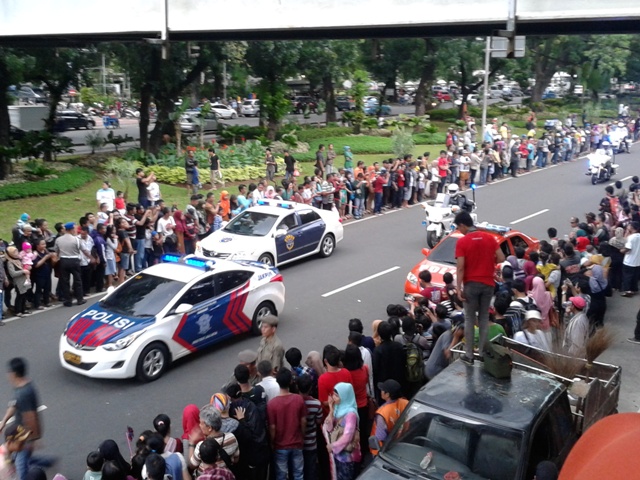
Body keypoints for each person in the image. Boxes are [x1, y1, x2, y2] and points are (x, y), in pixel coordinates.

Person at [454, 211, 505, 364]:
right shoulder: (490, 238)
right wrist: (488, 262)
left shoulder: (462, 242)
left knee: (469, 318)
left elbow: (461, 267)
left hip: (471, 284)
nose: (459, 231)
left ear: (463, 225)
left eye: (459, 228)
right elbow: (501, 258)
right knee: (483, 317)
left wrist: (458, 287)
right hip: (488, 284)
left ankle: (469, 355)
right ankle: (482, 353)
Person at [0, 358, 41, 480]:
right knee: (18, 459)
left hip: (23, 439)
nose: (8, 375)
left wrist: (33, 439)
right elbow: (14, 405)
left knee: (21, 467)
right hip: (16, 436)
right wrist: (3, 422)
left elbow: (31, 417)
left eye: (9, 372)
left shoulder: (25, 392)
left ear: (14, 374)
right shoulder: (20, 387)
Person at [267, 368, 306, 480]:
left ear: (277, 382)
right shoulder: (298, 399)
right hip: (297, 443)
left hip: (280, 446)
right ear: (290, 382)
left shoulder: (272, 404)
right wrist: (302, 436)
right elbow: (303, 421)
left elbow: (272, 428)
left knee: (281, 476)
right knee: (299, 474)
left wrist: (272, 443)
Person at [323, 382, 361, 480]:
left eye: (337, 396)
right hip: (338, 455)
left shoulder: (351, 414)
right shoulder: (337, 408)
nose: (334, 398)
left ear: (345, 396)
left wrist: (332, 446)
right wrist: (331, 410)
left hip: (348, 458)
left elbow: (347, 437)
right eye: (334, 395)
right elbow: (329, 428)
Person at [54, 222, 90, 307]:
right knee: (77, 280)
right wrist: (90, 257)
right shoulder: (76, 240)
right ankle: (79, 299)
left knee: (65, 281)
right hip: (74, 260)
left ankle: (67, 300)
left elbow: (56, 251)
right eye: (74, 228)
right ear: (71, 229)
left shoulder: (59, 239)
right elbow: (84, 250)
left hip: (63, 260)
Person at [370, 380, 408, 455]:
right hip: (401, 443)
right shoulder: (405, 402)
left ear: (387, 394)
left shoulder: (382, 413)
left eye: (382, 390)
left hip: (383, 451)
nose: (381, 391)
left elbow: (381, 437)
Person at [297, 374, 322, 480]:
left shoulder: (295, 402)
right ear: (311, 388)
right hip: (311, 442)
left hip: (298, 443)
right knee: (311, 470)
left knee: (299, 470)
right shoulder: (316, 404)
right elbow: (319, 421)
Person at [4, 247, 31, 317]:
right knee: (20, 296)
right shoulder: (10, 262)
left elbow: (22, 267)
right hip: (18, 281)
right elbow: (12, 273)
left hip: (23, 280)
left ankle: (23, 309)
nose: (17, 254)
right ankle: (18, 310)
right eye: (14, 252)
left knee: (24, 295)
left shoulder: (18, 260)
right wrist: (23, 271)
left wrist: (27, 268)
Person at [620, 221, 640, 297]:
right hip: (637, 260)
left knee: (627, 276)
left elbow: (627, 248)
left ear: (632, 227)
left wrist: (621, 250)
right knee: (635, 276)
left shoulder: (631, 238)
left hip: (629, 261)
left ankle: (627, 290)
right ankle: (634, 289)